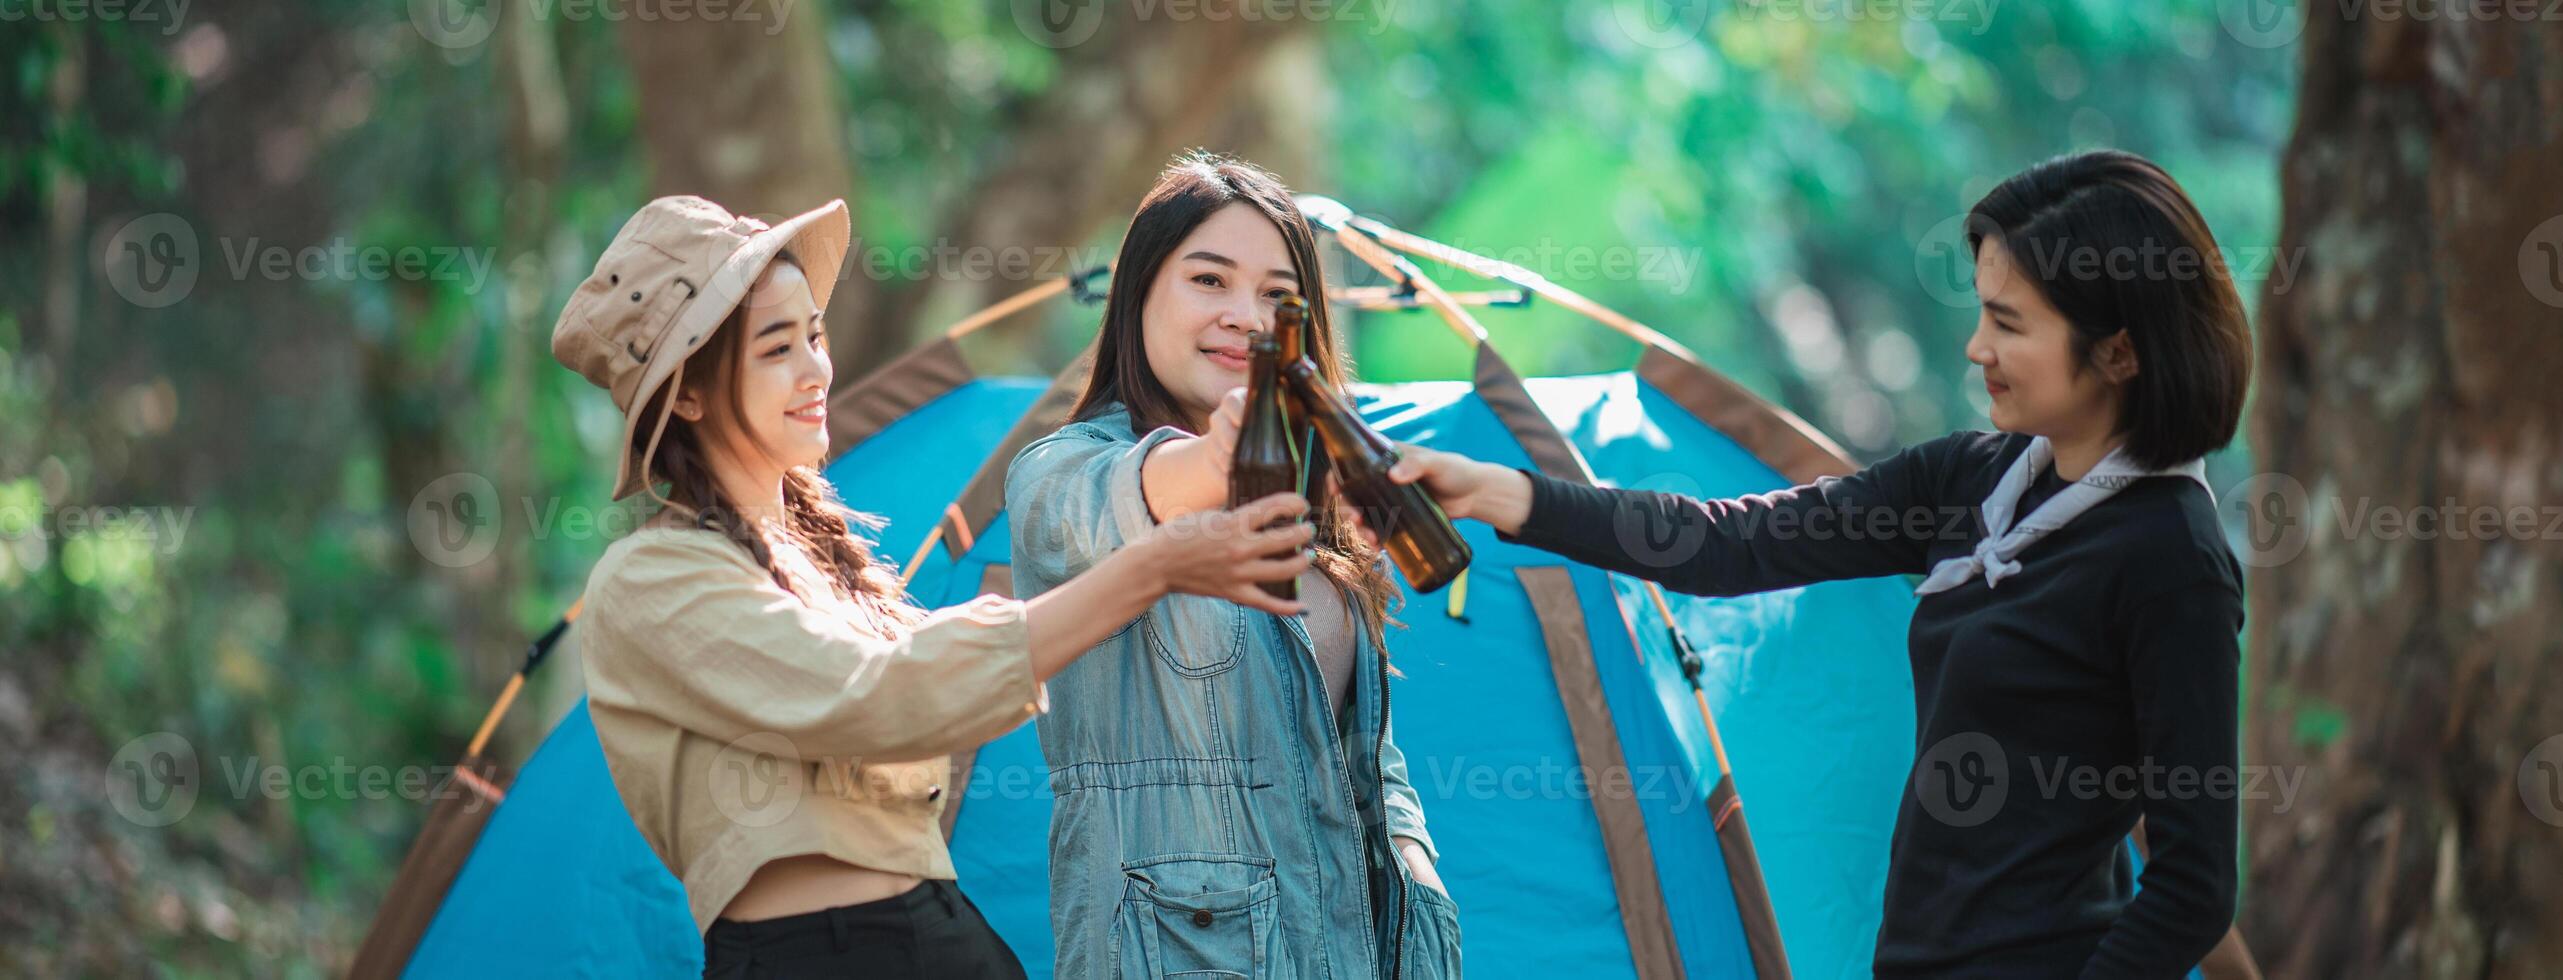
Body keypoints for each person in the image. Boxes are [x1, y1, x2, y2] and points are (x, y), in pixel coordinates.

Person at [1376, 150, 2252, 979]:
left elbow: (2193, 884)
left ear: (2121, 351)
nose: (1974, 347)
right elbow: (1728, 541)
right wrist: (1505, 493)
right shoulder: (1969, 479)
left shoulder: (2168, 557)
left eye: (2008, 323)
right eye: (1981, 312)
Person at [551, 195, 1314, 978]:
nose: (816, 369)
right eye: (776, 348)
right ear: (686, 394)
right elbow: (877, 697)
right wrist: (1153, 565)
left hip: (941, 933)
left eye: (814, 335)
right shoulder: (652, 578)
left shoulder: (817, 554)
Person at [1004, 154, 1462, 979]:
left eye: (1277, 298)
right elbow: (1142, 490)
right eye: (1209, 280)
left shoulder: (1316, 499)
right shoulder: (1058, 475)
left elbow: (1360, 746)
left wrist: (1410, 853)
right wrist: (1227, 450)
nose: (1245, 316)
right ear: (1139, 293)